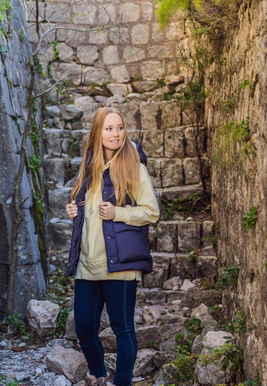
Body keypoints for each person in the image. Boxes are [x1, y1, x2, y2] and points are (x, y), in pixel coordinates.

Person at [64, 107, 160, 386]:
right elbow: (88, 207)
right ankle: (99, 373)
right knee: (83, 327)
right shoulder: (89, 166)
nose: (115, 133)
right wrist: (75, 210)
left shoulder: (133, 166)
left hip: (121, 263)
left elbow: (151, 211)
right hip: (88, 263)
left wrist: (118, 213)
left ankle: (122, 382)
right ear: (97, 132)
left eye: (119, 128)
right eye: (109, 128)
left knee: (123, 328)